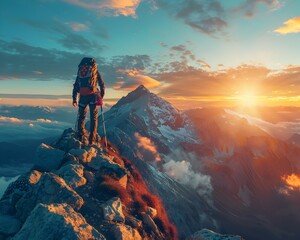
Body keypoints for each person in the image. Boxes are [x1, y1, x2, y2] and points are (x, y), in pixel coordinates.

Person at [72, 57, 105, 144]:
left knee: (81, 117)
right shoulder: (95, 71)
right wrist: (101, 95)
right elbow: (102, 83)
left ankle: (80, 136)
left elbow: (76, 85)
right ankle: (92, 139)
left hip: (82, 96)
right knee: (93, 118)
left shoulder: (80, 72)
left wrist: (74, 99)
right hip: (93, 97)